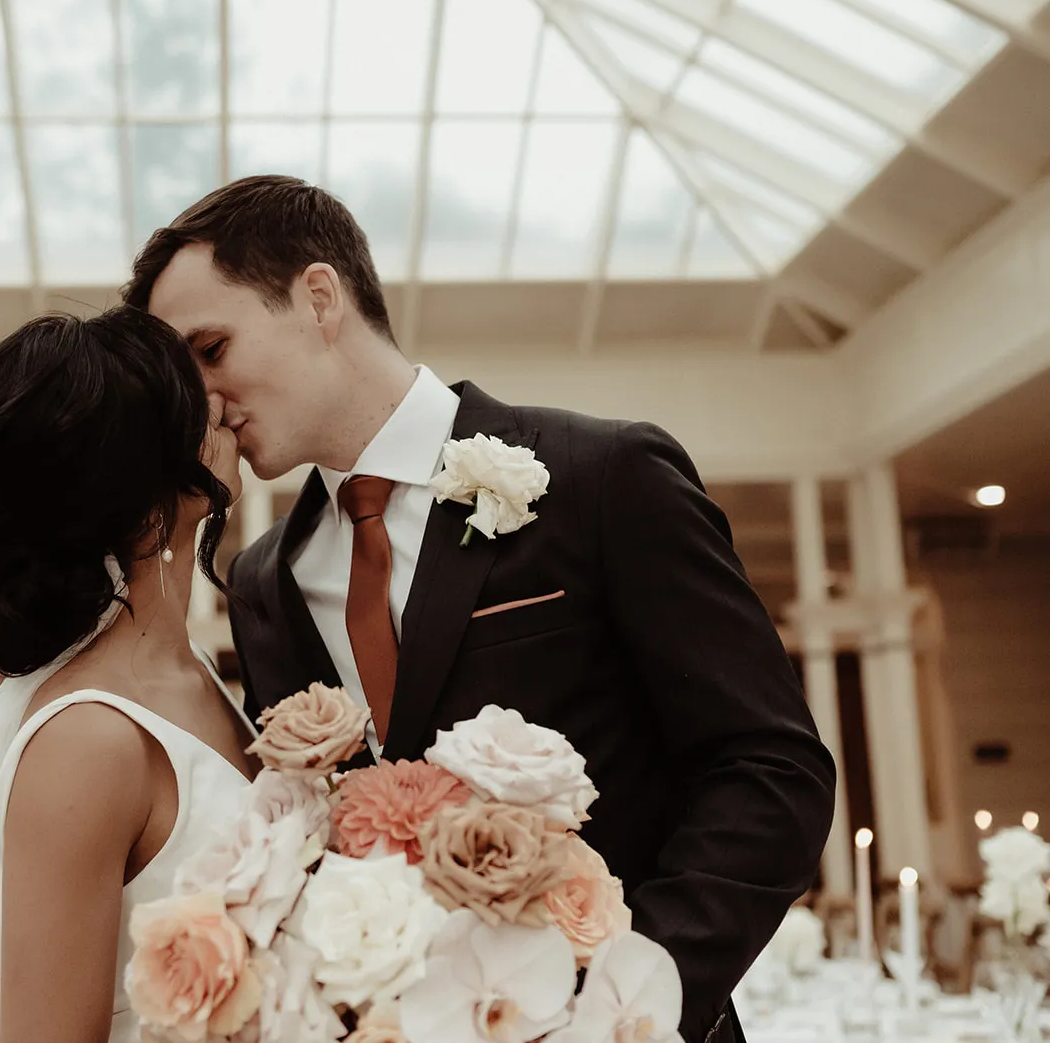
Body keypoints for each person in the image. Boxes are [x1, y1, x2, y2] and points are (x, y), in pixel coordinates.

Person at [124, 175, 838, 1043]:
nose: (199, 399)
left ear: (319, 298)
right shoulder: (262, 582)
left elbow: (772, 769)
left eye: (211, 348)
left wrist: (614, 1002)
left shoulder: (604, 476)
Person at [0, 308, 257, 1043]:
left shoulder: (192, 677)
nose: (221, 402)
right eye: (196, 405)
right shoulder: (87, 742)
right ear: (145, 507)